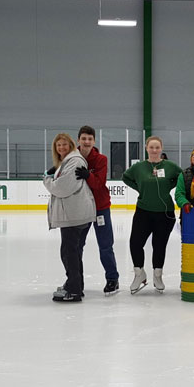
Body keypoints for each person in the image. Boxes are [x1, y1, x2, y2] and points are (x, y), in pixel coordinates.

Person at [122, 136, 181, 294]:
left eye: (157, 147)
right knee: (135, 243)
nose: (154, 150)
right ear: (146, 148)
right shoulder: (139, 167)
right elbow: (125, 177)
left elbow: (181, 178)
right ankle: (139, 273)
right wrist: (139, 187)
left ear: (161, 149)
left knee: (159, 245)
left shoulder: (170, 166)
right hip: (143, 211)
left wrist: (169, 185)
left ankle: (157, 275)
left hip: (165, 213)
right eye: (151, 147)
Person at [44, 133, 96, 302]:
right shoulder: (68, 161)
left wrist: (47, 180)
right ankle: (75, 285)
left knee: (69, 252)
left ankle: (74, 290)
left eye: (64, 145)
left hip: (74, 214)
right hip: (73, 213)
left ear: (71, 145)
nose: (61, 148)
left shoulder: (74, 161)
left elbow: (62, 188)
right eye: (58, 145)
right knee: (70, 251)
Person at [74, 125, 120, 295]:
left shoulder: (101, 159)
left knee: (105, 245)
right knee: (77, 246)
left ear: (94, 141)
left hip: (100, 208)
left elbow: (98, 183)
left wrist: (87, 175)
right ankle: (76, 280)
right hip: (80, 208)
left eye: (90, 139)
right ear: (78, 140)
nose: (87, 142)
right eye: (84, 138)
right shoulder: (72, 158)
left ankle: (112, 279)